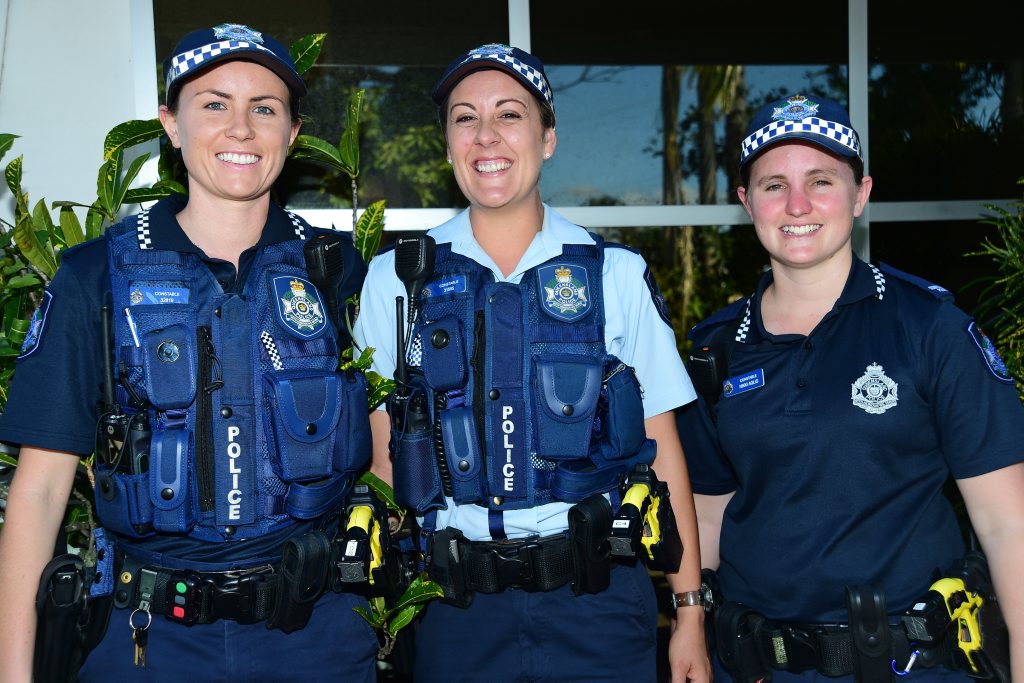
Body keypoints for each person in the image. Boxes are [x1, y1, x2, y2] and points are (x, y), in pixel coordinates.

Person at [0, 23, 379, 681]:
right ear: (170, 124)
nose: (240, 127)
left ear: (291, 133)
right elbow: (39, 491)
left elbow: (382, 436)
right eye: (213, 104)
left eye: (264, 107)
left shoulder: (337, 269)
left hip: (315, 638)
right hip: (146, 641)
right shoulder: (97, 273)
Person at [352, 43, 711, 682]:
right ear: (446, 143)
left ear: (547, 139)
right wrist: (384, 608)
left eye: (510, 115)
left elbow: (664, 450)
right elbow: (383, 459)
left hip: (596, 604)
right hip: (454, 608)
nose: (486, 136)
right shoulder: (397, 280)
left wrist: (688, 615)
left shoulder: (615, 275)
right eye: (465, 118)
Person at [678, 93, 1024, 681]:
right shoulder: (715, 347)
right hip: (756, 665)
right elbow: (708, 518)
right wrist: (689, 626)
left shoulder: (930, 328)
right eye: (772, 185)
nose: (797, 205)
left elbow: (1007, 524)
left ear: (861, 194)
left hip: (908, 665)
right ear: (745, 201)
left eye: (821, 180)